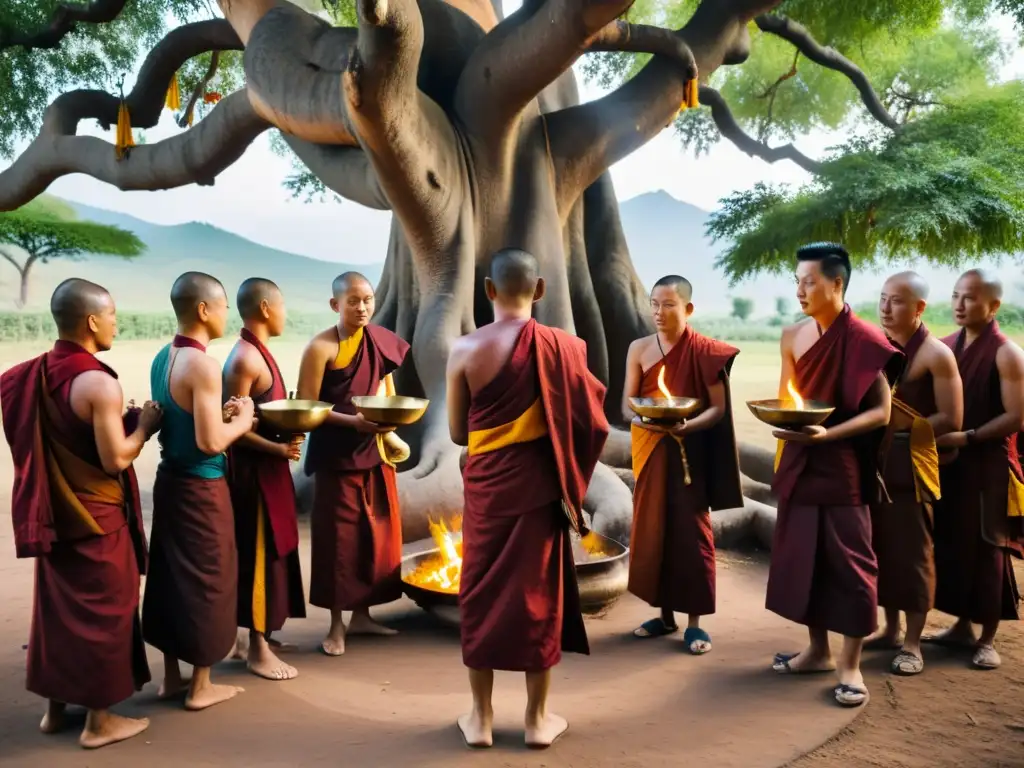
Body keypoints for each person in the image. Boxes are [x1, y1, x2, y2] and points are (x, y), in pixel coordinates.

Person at [446, 248, 610, 749]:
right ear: (539, 289)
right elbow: (590, 423)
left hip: (489, 490)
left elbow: (457, 433)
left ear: (489, 291)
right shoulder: (568, 346)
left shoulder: (465, 350)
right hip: (541, 490)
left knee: (480, 595)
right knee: (540, 598)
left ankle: (480, 718)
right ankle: (538, 720)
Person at [0, 279, 160, 749]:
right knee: (104, 615)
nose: (116, 323)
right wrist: (145, 427)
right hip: (97, 519)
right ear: (92, 321)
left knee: (58, 617)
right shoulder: (98, 382)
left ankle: (54, 712)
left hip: (57, 512)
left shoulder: (35, 373)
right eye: (111, 315)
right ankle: (99, 722)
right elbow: (115, 459)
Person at [766, 243, 903, 708]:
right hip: (801, 462)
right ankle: (818, 651)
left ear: (836, 284)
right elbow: (791, 400)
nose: (801, 290)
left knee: (850, 566)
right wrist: (791, 426)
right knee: (803, 559)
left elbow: (882, 412)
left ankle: (850, 666)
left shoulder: (864, 338)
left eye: (810, 282)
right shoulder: (792, 336)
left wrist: (830, 435)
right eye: (797, 281)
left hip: (842, 466)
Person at [142, 271, 256, 711]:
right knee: (210, 579)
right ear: (204, 310)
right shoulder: (204, 365)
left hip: (170, 480)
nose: (228, 314)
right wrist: (243, 420)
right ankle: (201, 685)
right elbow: (210, 443)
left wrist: (222, 415)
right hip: (202, 486)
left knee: (171, 577)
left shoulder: (160, 357)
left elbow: (183, 419)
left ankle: (171, 678)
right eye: (224, 305)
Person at [623, 275, 743, 654]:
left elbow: (718, 408)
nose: (659, 312)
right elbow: (628, 402)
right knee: (654, 531)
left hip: (689, 456)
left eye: (669, 305)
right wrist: (644, 420)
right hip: (651, 453)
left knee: (691, 536)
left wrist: (685, 426)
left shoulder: (705, 352)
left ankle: (695, 624)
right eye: (655, 304)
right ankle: (665, 616)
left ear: (688, 309)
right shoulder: (639, 348)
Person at [296, 271, 411, 656]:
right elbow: (307, 410)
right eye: (353, 301)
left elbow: (384, 386)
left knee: (374, 537)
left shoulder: (377, 340)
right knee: (339, 543)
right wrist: (353, 423)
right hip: (337, 458)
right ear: (335, 305)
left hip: (374, 454)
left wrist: (389, 428)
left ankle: (362, 615)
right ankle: (335, 626)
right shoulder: (321, 348)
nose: (362, 308)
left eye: (368, 300)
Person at [867, 272, 963, 676]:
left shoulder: (936, 355)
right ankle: (889, 629)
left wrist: (901, 425)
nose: (886, 309)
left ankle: (911, 643)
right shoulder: (876, 348)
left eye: (897, 302)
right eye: (883, 299)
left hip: (914, 465)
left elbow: (952, 418)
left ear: (919, 308)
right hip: (877, 466)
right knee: (881, 549)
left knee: (913, 555)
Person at [927, 269, 1024, 669]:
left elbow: (1017, 416)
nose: (959, 305)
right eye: (955, 296)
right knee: (952, 545)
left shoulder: (1007, 352)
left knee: (988, 548)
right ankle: (962, 626)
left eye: (970, 298)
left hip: (987, 466)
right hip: (951, 465)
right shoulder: (947, 347)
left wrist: (967, 437)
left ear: (994, 305)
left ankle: (987, 638)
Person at [223, 278, 306, 681]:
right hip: (253, 475)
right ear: (266, 308)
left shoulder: (259, 353)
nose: (285, 313)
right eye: (283, 304)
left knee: (275, 551)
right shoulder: (244, 360)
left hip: (270, 470)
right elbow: (231, 425)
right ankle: (256, 648)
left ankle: (256, 638)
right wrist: (277, 449)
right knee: (258, 554)